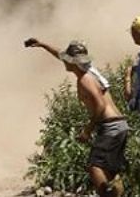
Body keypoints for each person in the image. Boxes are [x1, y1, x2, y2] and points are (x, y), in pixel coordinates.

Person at [26, 38, 127, 197]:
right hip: (118, 125)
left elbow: (100, 105)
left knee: (95, 167)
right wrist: (43, 44)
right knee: (110, 172)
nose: (64, 61)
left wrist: (88, 130)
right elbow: (60, 54)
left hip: (110, 126)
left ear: (73, 62)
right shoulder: (89, 71)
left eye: (68, 59)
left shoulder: (85, 79)